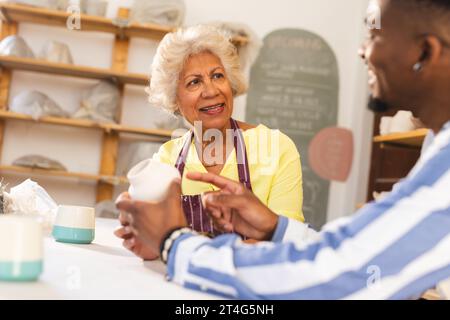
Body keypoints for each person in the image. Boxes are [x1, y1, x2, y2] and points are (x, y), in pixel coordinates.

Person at [116, 0, 450, 299]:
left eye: (374, 36)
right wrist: (275, 228)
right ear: (175, 100)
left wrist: (175, 244)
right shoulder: (438, 149)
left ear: (425, 52)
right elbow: (345, 255)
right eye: (193, 82)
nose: (362, 51)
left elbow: (340, 273)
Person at [115, 25, 305, 259]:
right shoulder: (168, 158)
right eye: (194, 82)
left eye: (217, 75)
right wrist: (144, 240)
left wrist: (183, 249)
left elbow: (287, 244)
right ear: (174, 99)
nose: (211, 90)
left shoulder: (276, 148)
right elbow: (154, 240)